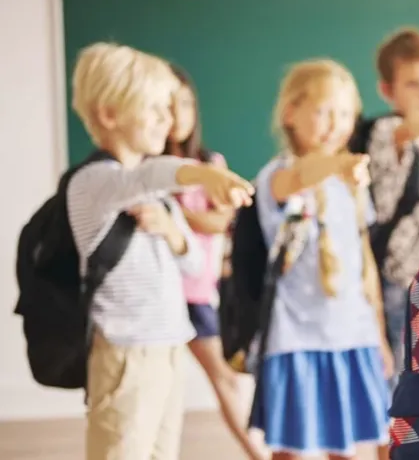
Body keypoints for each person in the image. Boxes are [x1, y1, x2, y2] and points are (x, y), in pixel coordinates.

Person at [67, 42, 253, 460]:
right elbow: (149, 175)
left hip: (168, 346)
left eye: (169, 108)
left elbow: (192, 262)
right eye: (154, 108)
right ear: (110, 115)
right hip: (125, 352)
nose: (167, 120)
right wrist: (203, 174)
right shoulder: (95, 182)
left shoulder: (160, 195)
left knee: (160, 453)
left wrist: (173, 231)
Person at [249, 59, 393, 460]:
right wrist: (340, 164)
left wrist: (378, 334)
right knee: (291, 449)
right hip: (296, 337)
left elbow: (364, 262)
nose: (336, 123)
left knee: (345, 446)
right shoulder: (277, 176)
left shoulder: (349, 183)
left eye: (346, 113)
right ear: (290, 113)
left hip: (352, 333)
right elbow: (300, 177)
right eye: (324, 110)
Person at [164, 63, 269, 460]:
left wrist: (173, 215)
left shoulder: (210, 163)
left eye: (186, 104)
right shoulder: (146, 170)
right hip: (159, 294)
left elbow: (223, 218)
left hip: (199, 292)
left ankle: (258, 453)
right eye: (169, 105)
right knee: (174, 382)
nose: (178, 115)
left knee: (225, 378)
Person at [348, 27, 419, 388]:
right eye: (412, 84)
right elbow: (404, 129)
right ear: (387, 90)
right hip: (396, 280)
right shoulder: (387, 130)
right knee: (398, 385)